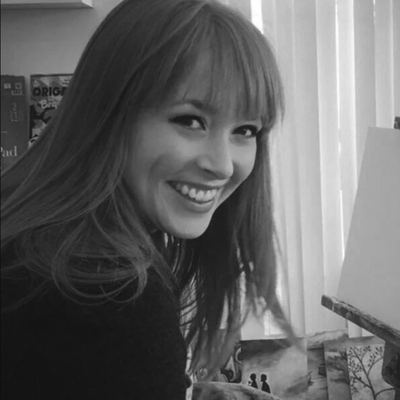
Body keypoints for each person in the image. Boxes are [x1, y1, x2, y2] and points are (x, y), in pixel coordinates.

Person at [1, 0, 295, 399]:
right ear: (108, 112)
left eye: (245, 130)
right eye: (190, 120)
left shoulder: (41, 238)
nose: (223, 165)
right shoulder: (109, 293)